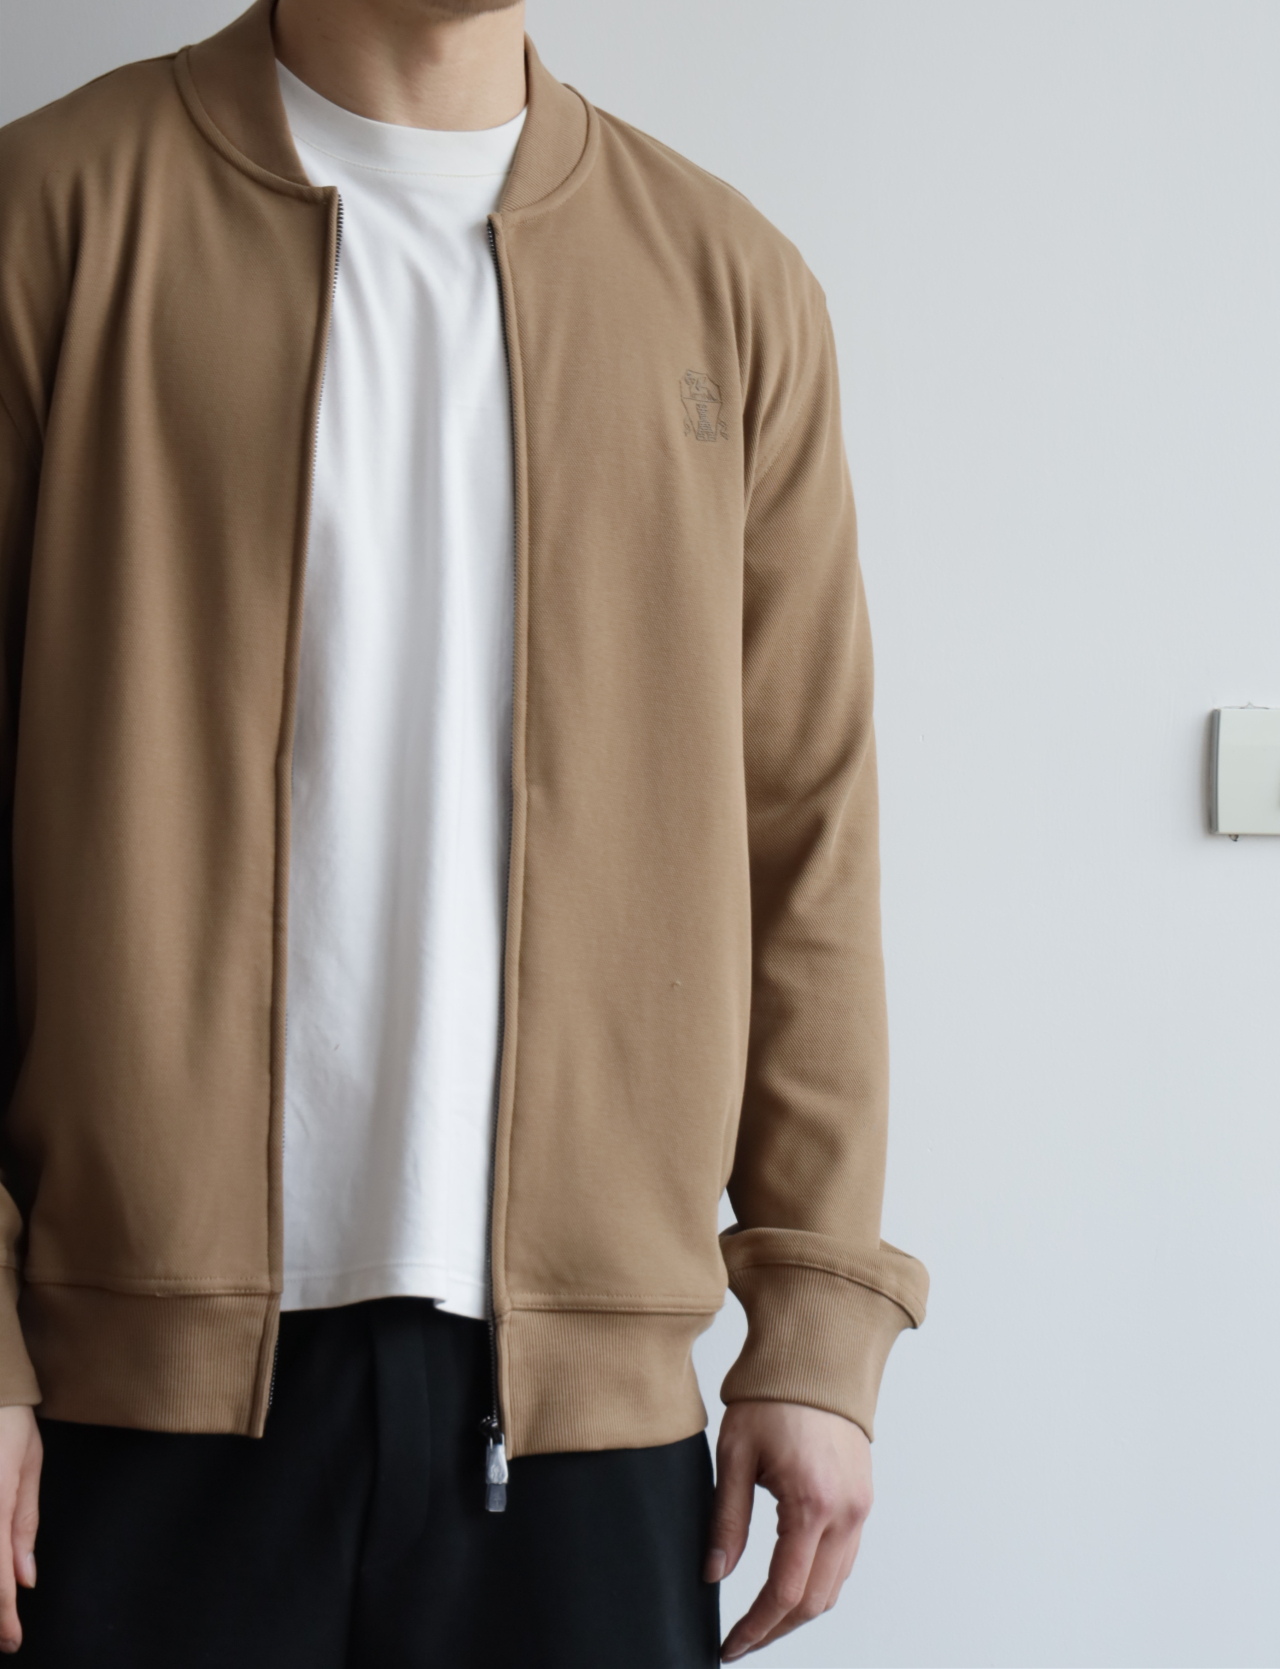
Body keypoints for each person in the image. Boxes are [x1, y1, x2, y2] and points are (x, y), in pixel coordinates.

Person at [0, 0, 929, 1661]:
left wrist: (818, 1315)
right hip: (119, 1394)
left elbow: (806, 836)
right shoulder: (52, 216)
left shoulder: (729, 283)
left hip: (591, 1417)